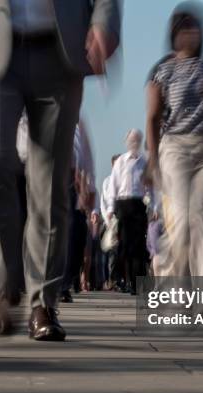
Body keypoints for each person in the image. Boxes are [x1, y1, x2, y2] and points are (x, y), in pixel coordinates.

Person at [0, 0, 121, 340]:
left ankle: (42, 303)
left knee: (49, 183)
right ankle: (4, 284)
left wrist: (104, 22)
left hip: (60, 50)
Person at [146, 4, 203, 285]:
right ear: (174, 35)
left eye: (195, 31)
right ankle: (166, 271)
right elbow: (153, 118)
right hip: (175, 147)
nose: (190, 37)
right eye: (185, 31)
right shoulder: (162, 71)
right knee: (180, 223)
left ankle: (202, 297)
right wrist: (153, 160)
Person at [106, 129, 151, 295]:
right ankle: (126, 280)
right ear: (127, 142)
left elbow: (150, 187)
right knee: (125, 245)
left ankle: (138, 284)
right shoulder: (121, 162)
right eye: (131, 140)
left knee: (139, 246)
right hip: (123, 205)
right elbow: (113, 185)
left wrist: (155, 207)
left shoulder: (144, 162)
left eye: (137, 140)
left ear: (140, 142)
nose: (134, 142)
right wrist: (110, 208)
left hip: (139, 205)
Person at [61, 120, 96, 303]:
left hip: (71, 181)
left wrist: (88, 188)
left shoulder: (79, 126)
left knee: (75, 235)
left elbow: (87, 157)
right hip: (46, 175)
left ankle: (66, 282)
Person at [100, 154, 120, 290]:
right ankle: (110, 280)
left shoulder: (126, 181)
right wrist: (107, 221)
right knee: (111, 252)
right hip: (110, 221)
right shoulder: (107, 181)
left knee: (120, 253)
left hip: (122, 219)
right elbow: (103, 203)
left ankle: (118, 281)